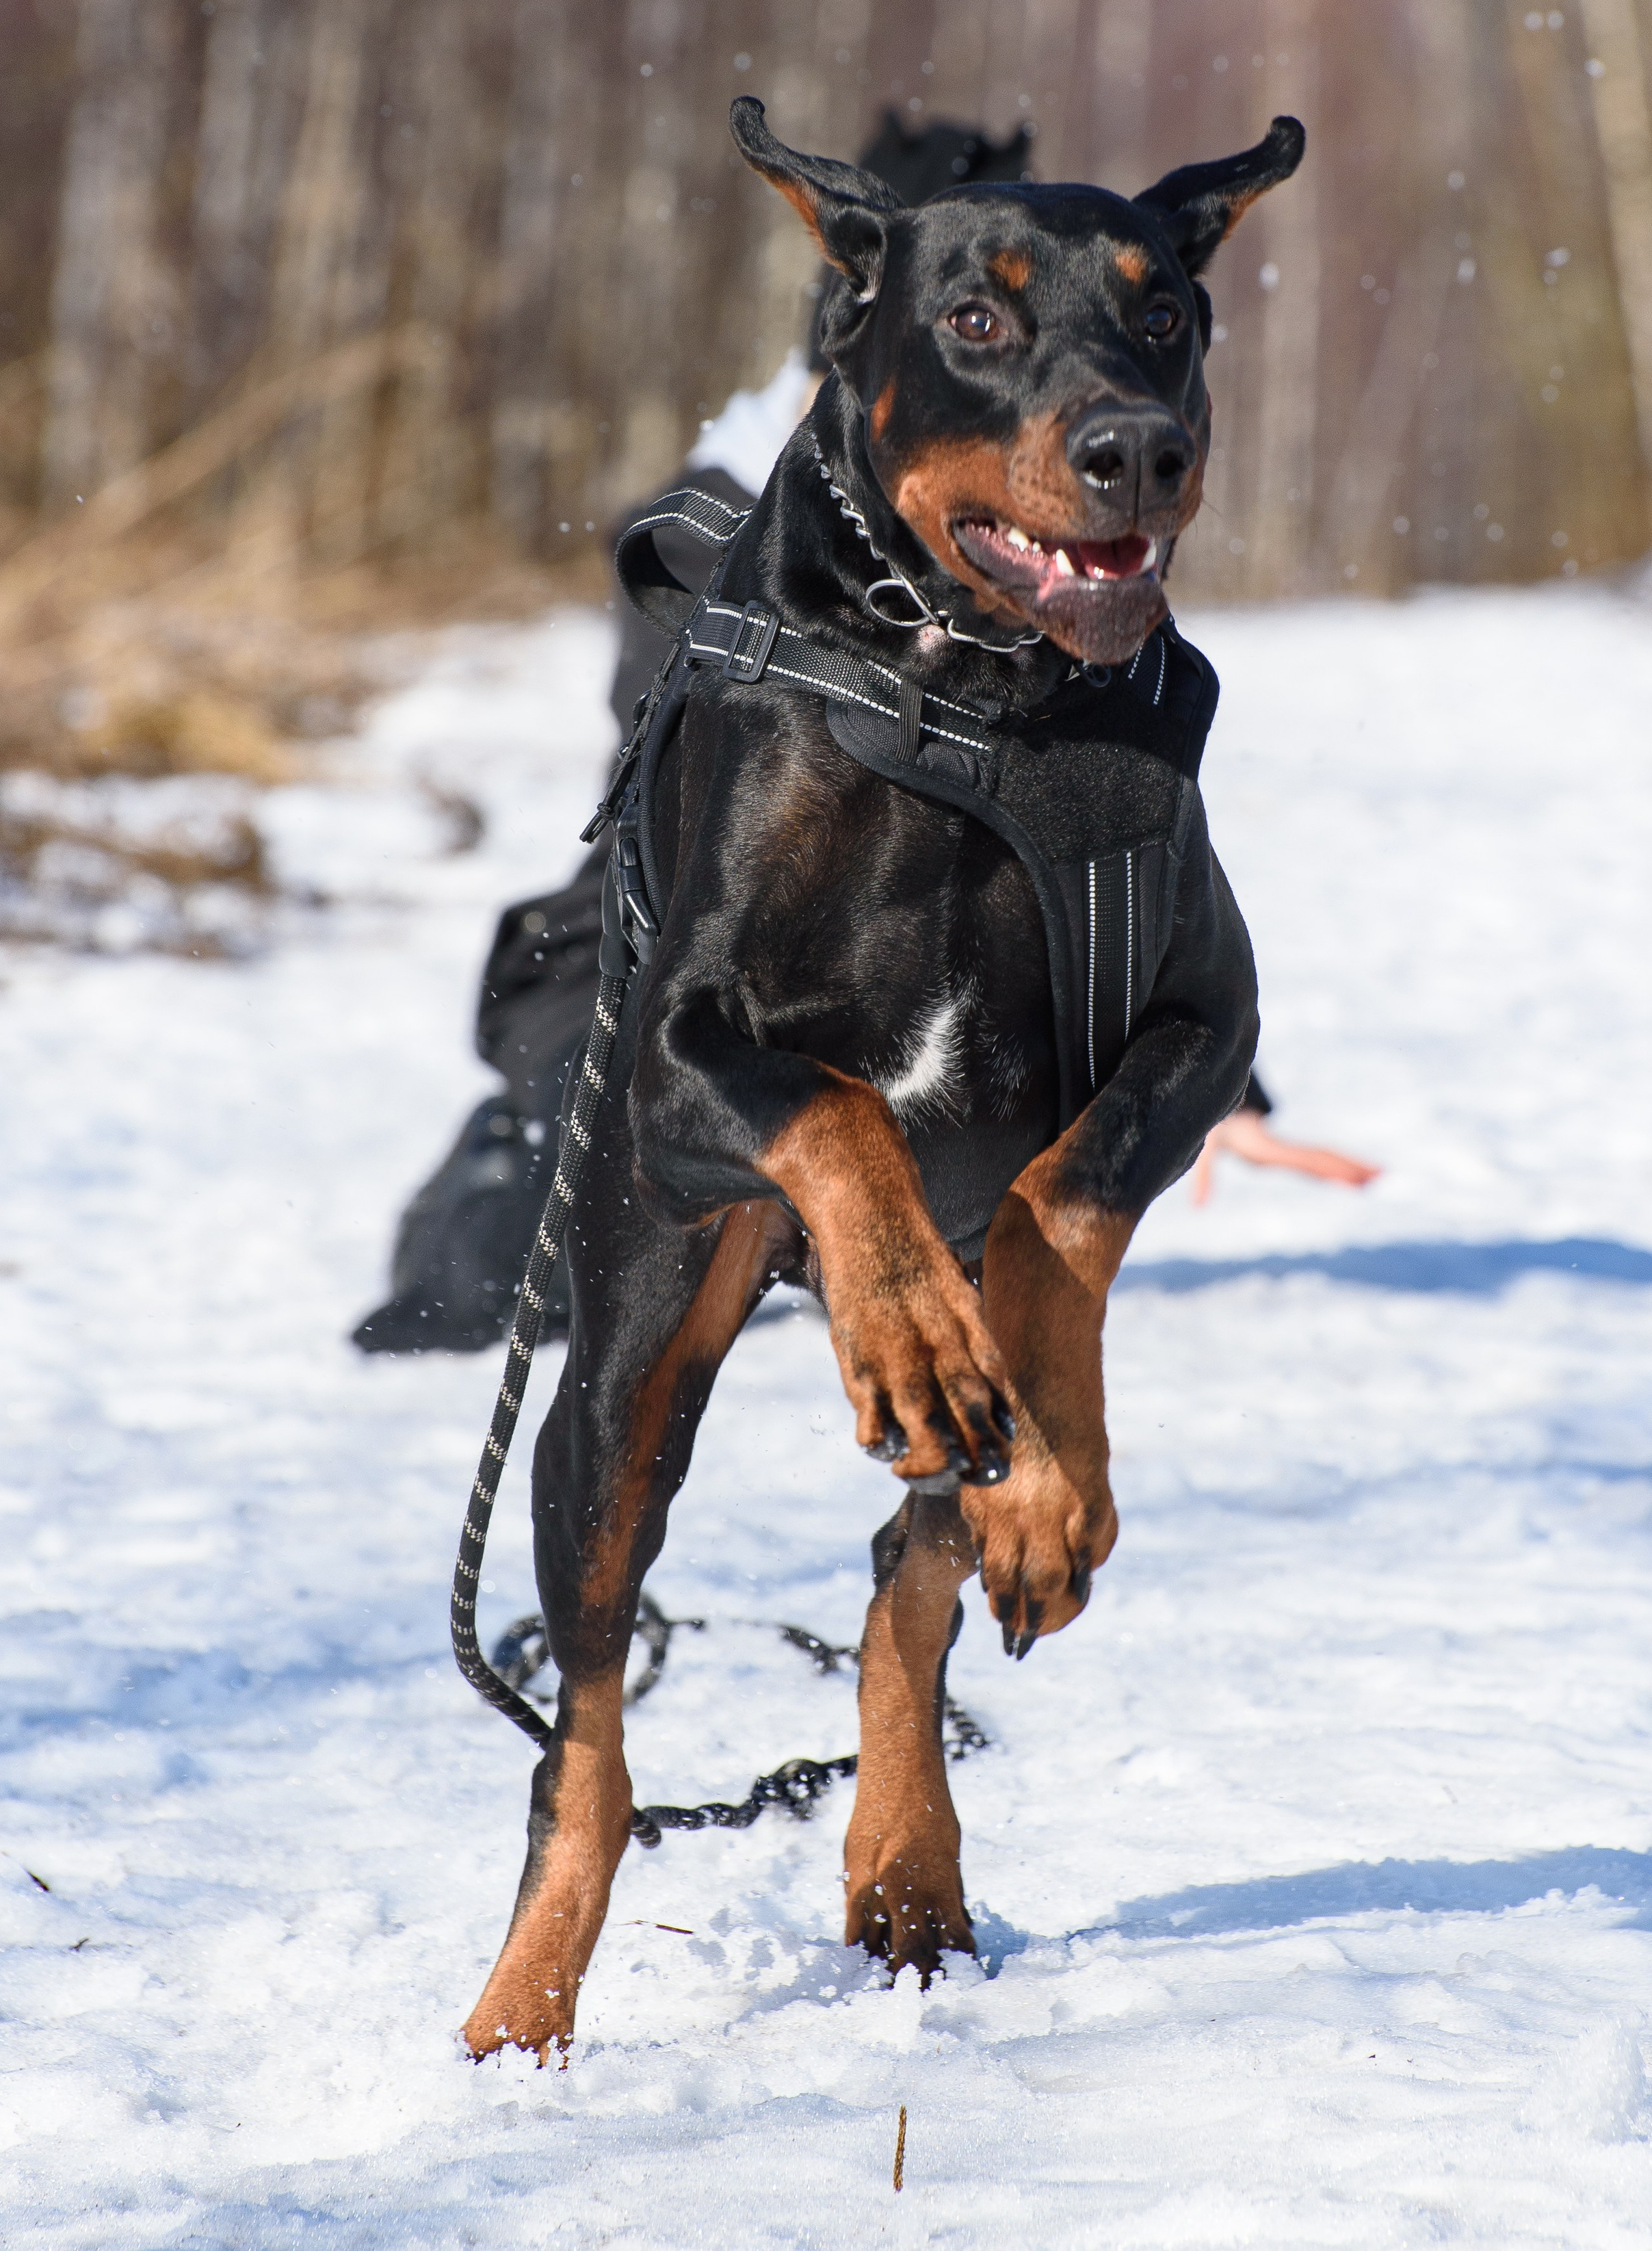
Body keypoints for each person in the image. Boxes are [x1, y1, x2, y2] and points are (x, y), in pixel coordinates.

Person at [351, 115, 1376, 1356]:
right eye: (987, 333)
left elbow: (1067, 850)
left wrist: (1189, 1080)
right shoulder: (727, 533)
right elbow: (705, 862)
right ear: (860, 351)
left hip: (884, 1008)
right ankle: (487, 1201)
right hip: (660, 998)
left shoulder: (1024, 527)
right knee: (522, 1269)